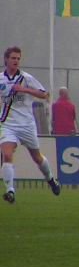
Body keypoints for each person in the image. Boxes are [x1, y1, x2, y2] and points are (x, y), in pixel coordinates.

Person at [0, 46, 61, 204]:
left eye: (18, 58)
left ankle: (50, 179)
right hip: (8, 124)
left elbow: (44, 95)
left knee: (37, 157)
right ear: (6, 59)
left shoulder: (25, 78)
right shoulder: (1, 79)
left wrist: (24, 90)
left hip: (26, 124)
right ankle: (10, 191)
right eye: (13, 58)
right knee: (6, 155)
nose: (16, 61)